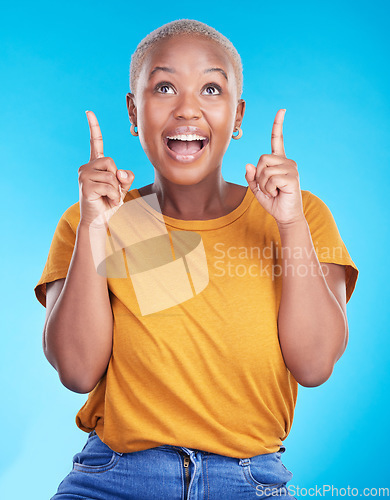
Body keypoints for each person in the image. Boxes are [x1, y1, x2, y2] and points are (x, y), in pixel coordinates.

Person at [34, 19, 359, 500]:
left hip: (249, 480)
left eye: (211, 88)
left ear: (238, 114)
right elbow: (77, 371)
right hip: (114, 477)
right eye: (164, 87)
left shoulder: (301, 214)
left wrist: (290, 225)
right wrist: (93, 228)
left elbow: (313, 366)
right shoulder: (92, 221)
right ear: (134, 111)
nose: (187, 108)